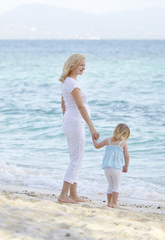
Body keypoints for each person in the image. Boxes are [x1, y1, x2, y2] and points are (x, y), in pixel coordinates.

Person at [58, 53, 99, 204]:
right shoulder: (72, 84)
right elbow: (80, 106)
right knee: (76, 160)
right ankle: (64, 195)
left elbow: (63, 104)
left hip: (72, 121)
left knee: (76, 158)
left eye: (84, 65)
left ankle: (74, 194)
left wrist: (67, 119)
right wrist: (92, 127)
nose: (83, 68)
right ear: (73, 65)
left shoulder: (67, 82)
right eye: (81, 65)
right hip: (75, 122)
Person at [92, 123, 130, 208]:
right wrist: (126, 166)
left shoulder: (107, 140)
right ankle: (114, 203)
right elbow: (126, 156)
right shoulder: (123, 143)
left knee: (110, 185)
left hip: (107, 168)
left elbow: (97, 146)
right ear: (125, 134)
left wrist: (94, 140)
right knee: (116, 186)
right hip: (116, 168)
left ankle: (109, 203)